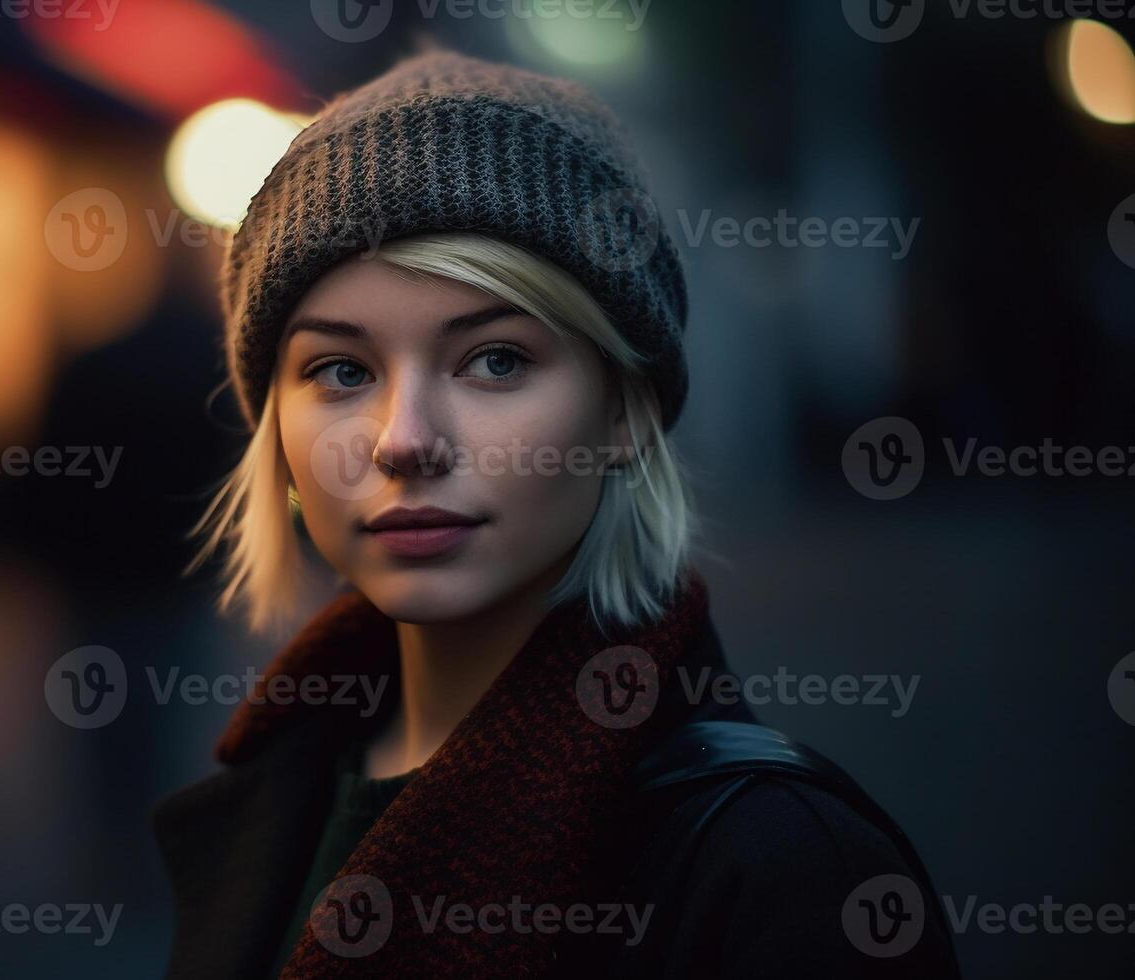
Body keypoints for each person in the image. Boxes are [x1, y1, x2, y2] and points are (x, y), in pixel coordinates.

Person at [153, 48, 959, 979]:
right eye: (342, 370)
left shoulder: (778, 868)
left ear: (623, 410)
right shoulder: (276, 785)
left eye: (495, 359)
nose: (403, 440)